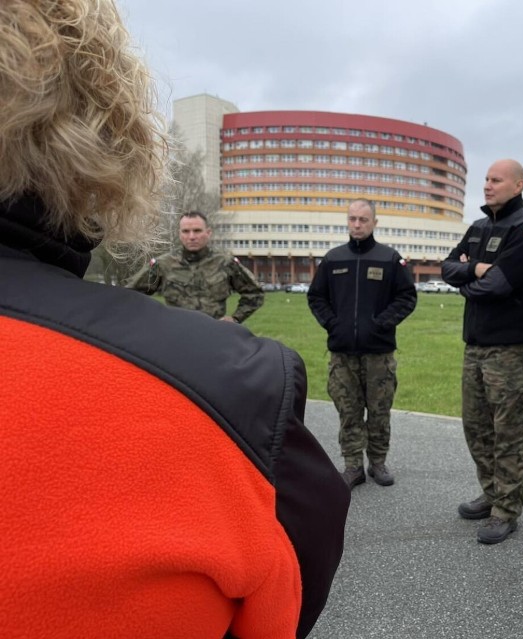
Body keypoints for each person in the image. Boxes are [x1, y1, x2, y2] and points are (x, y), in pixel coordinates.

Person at [0, 2, 349, 637]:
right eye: (185, 226)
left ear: (205, 232)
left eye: (195, 227)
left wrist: (224, 325)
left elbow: (252, 297)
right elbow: (133, 292)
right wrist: (138, 324)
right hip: (171, 359)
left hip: (198, 346)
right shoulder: (218, 362)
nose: (190, 233)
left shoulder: (224, 264)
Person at [441, 159, 523, 544]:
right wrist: (474, 271)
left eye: (496, 180)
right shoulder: (478, 227)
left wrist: (471, 277)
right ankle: (489, 492)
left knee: (508, 431)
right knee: (476, 426)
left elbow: (500, 285)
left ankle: (507, 508)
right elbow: (446, 268)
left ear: (517, 185)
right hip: (476, 347)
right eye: (486, 179)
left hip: (510, 349)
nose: (487, 185)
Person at [307, 199, 417, 489]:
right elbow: (316, 297)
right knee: (348, 411)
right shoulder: (333, 259)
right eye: (353, 219)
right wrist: (333, 323)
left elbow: (407, 297)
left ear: (374, 223)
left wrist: (380, 323)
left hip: (378, 354)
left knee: (379, 411)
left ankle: (378, 462)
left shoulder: (390, 259)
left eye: (363, 220)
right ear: (347, 221)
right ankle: (353, 465)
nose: (357, 225)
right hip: (342, 354)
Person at [127, 210, 264, 323]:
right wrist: (153, 319)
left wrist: (235, 318)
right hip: (175, 335)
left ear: (208, 233)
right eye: (186, 231)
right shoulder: (163, 264)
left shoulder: (225, 263)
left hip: (214, 335)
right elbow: (130, 295)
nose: (191, 236)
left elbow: (255, 293)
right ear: (180, 234)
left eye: (197, 231)